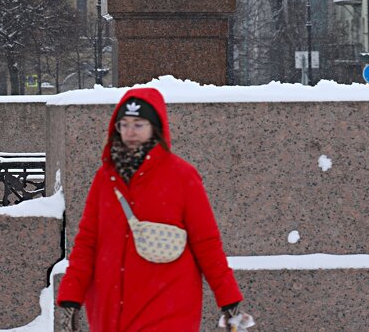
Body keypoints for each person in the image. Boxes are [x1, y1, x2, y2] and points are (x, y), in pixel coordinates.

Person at [57, 87, 244, 331]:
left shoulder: (182, 176)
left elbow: (206, 242)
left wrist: (228, 297)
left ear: (155, 127)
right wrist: (71, 295)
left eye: (138, 124)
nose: (130, 132)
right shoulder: (105, 177)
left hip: (166, 306)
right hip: (109, 308)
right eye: (124, 124)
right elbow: (87, 241)